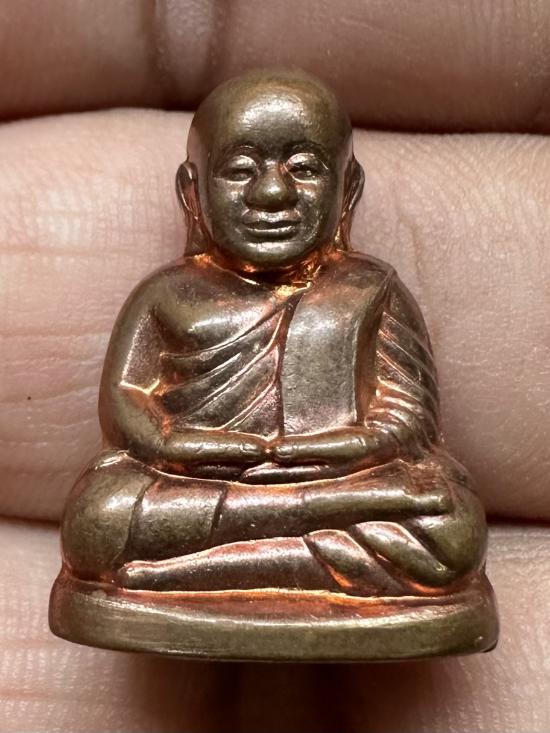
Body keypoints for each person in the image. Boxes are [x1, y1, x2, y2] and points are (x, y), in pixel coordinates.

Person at [60, 71, 488, 600]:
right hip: (204, 477)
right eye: (240, 170)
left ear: (349, 188)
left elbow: (410, 420)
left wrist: (330, 450)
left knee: (450, 525)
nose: (271, 193)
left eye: (304, 168)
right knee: (99, 517)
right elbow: (126, 402)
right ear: (191, 190)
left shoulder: (370, 290)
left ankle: (180, 576)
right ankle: (284, 540)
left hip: (338, 475)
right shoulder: (164, 294)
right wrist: (181, 446)